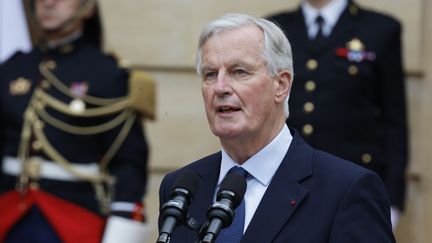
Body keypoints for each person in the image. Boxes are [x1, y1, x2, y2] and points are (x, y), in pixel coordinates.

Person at [158, 13, 395, 242]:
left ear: (281, 85)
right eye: (210, 74)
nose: (220, 87)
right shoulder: (181, 187)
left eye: (238, 72)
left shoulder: (346, 190)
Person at [0, 0, 154, 242]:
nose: (48, 3)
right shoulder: (11, 69)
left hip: (72, 222)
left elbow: (127, 164)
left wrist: (122, 229)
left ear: (88, 8)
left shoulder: (108, 74)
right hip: (8, 217)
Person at [266, 0, 408, 229]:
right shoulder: (274, 28)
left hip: (354, 185)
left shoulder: (380, 28)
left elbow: (394, 120)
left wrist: (392, 200)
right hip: (285, 182)